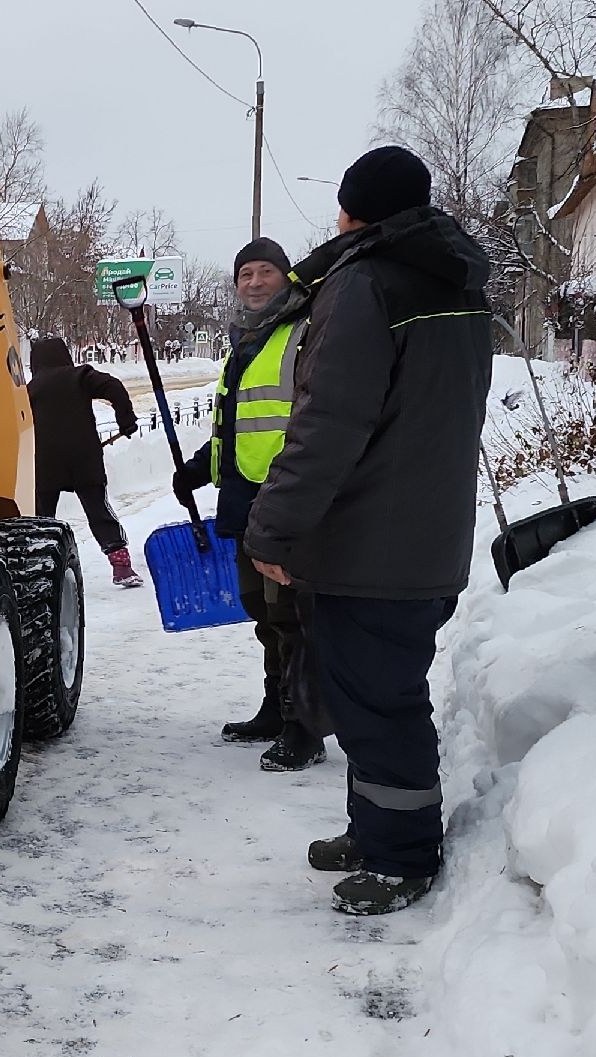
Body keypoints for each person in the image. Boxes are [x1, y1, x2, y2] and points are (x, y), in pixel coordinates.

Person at [242, 146, 493, 916]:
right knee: (365, 695)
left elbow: (328, 425)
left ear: (352, 211)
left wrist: (273, 531)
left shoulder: (364, 283)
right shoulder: (450, 281)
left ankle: (400, 856)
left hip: (372, 543)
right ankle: (374, 827)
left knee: (379, 702)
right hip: (421, 531)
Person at [173, 237, 330, 772]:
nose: (256, 282)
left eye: (266, 271)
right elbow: (240, 426)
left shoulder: (303, 333)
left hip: (285, 499)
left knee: (291, 617)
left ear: (286, 278)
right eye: (246, 274)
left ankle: (303, 727)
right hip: (246, 499)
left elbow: (317, 418)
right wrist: (200, 468)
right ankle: (275, 707)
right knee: (263, 613)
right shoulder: (248, 340)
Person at [28, 335, 144, 586]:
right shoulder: (79, 376)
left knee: (41, 520)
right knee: (99, 511)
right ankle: (122, 567)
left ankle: (41, 573)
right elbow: (113, 387)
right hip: (84, 460)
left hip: (45, 464)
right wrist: (126, 420)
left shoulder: (31, 389)